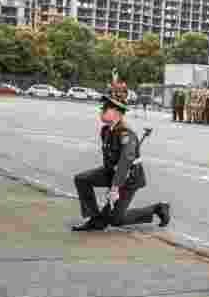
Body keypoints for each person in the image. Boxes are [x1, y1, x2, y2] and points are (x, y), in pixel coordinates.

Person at [72, 87, 170, 231]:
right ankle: (95, 219)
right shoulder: (106, 131)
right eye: (102, 109)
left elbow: (125, 162)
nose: (102, 111)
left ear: (117, 113)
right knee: (82, 179)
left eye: (106, 109)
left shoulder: (126, 135)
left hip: (129, 178)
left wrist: (114, 189)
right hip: (112, 172)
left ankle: (157, 209)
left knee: (116, 220)